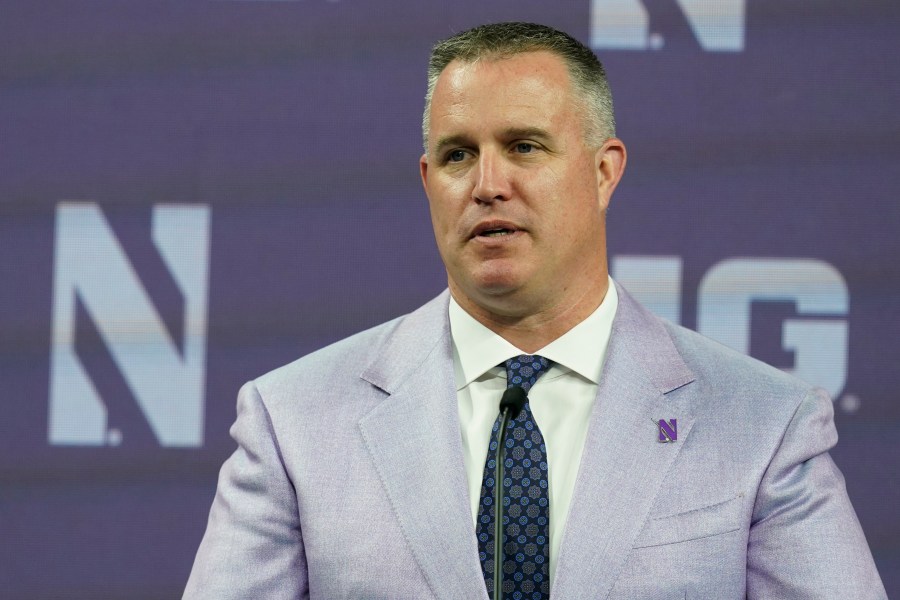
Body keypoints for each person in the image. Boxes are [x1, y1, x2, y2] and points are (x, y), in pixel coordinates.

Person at [184, 22, 885, 599]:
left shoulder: (763, 426)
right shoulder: (294, 424)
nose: (489, 185)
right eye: (459, 155)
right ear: (429, 182)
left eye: (524, 146)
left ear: (603, 170)